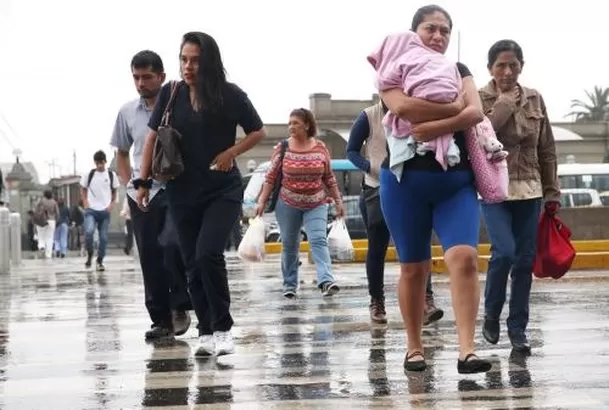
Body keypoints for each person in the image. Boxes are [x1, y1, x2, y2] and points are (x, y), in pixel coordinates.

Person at [376, 4, 492, 373]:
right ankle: (414, 347)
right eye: (430, 29)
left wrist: (443, 121)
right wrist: (452, 106)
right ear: (415, 34)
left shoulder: (459, 71)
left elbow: (474, 112)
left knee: (465, 259)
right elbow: (403, 107)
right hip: (403, 183)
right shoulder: (395, 64)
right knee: (414, 267)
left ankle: (467, 351)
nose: (438, 36)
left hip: (454, 183)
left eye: (444, 30)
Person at [137, 32, 266, 356]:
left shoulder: (229, 94)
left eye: (194, 60)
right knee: (192, 261)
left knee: (208, 254)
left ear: (209, 61)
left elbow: (258, 131)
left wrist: (230, 153)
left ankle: (223, 327)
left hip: (222, 190)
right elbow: (151, 139)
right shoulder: (171, 93)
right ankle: (206, 329)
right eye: (183, 59)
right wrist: (142, 183)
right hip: (181, 190)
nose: (188, 66)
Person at [478, 40, 560, 353]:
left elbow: (547, 149)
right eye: (501, 65)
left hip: (531, 188)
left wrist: (553, 191)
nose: (508, 71)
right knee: (505, 252)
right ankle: (491, 314)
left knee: (525, 261)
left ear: (521, 66)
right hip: (493, 188)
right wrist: (505, 104)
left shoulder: (536, 98)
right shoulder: (479, 97)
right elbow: (482, 134)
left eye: (513, 65)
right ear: (490, 69)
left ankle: (518, 329)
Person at [111, 50, 193, 340]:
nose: (141, 83)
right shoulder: (127, 112)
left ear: (161, 76)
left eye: (147, 77)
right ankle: (160, 319)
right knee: (150, 256)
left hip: (175, 187)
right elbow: (121, 154)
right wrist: (129, 184)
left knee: (172, 244)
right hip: (141, 192)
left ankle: (180, 305)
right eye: (136, 77)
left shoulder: (179, 105)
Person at [347, 101, 444, 325]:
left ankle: (426, 299)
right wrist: (372, 166)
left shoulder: (416, 109)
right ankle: (377, 302)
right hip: (376, 187)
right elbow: (351, 150)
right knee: (377, 246)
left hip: (410, 185)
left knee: (418, 243)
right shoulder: (369, 116)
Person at [256, 108, 343, 299]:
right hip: (288, 203)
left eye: (295, 123)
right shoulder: (283, 147)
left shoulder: (320, 147)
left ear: (307, 125)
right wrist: (261, 201)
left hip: (316, 202)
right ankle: (289, 285)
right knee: (289, 244)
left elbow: (329, 177)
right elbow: (270, 177)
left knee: (319, 240)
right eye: (289, 123)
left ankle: (326, 281)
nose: (291, 127)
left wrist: (338, 201)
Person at [80, 150, 119, 271]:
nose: (100, 166)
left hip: (104, 211)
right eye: (97, 163)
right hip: (91, 210)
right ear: (95, 163)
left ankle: (99, 261)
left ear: (105, 162)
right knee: (89, 232)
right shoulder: (89, 174)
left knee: (103, 238)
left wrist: (112, 204)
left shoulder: (111, 175)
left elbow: (115, 191)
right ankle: (90, 253)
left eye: (101, 163)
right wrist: (85, 201)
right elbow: (83, 187)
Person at [35, 190, 59, 259]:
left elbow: (36, 210)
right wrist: (56, 220)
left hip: (41, 220)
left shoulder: (41, 201)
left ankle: (42, 246)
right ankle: (48, 255)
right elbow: (57, 213)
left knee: (41, 235)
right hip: (51, 221)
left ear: (44, 194)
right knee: (50, 238)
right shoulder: (54, 202)